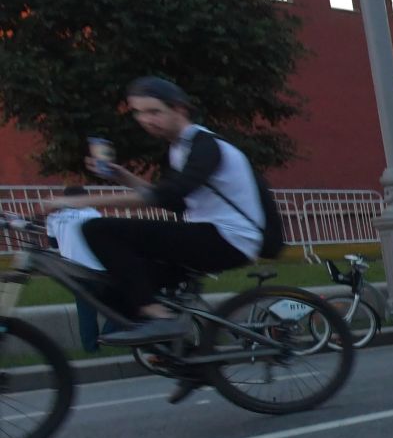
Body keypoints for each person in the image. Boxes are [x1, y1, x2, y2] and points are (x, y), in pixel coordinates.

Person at [41, 76, 276, 345]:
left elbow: (168, 195)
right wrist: (122, 176)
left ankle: (159, 317)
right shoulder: (179, 150)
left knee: (98, 229)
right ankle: (188, 357)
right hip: (209, 236)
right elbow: (174, 203)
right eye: (138, 113)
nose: (145, 120)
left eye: (154, 111)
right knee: (112, 290)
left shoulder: (206, 145)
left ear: (180, 109)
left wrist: (80, 201)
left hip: (229, 239)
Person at [44, 181, 104, 352]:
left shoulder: (54, 218)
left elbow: (53, 244)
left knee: (85, 310)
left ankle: (91, 347)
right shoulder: (92, 214)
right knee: (120, 303)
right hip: (96, 268)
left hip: (71, 270)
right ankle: (109, 336)